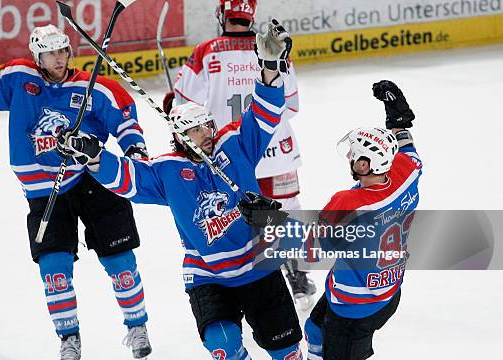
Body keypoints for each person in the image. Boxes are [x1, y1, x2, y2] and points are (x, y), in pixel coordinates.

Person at [57, 21, 304, 360]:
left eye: (206, 126)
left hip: (257, 264)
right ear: (179, 138)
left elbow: (265, 111)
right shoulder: (167, 170)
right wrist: (96, 155)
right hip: (208, 274)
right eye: (194, 131)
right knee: (224, 345)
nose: (204, 133)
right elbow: (127, 179)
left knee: (287, 352)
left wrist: (270, 68)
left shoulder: (235, 143)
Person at [0, 24, 153, 360]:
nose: (58, 59)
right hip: (45, 193)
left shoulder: (93, 87)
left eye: (63, 51)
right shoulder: (20, 79)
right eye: (50, 53)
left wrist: (135, 154)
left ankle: (137, 325)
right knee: (54, 270)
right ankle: (69, 337)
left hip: (93, 181)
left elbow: (127, 123)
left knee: (120, 261)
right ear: (37, 56)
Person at [167, 0, 316, 306]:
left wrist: (172, 100)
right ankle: (298, 277)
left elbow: (183, 106)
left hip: (230, 154)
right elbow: (291, 105)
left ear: (222, 14)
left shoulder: (206, 51)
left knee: (235, 217)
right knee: (285, 212)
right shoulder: (272, 47)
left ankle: (244, 281)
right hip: (275, 150)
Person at [303, 81, 421, 359]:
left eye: (354, 155)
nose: (350, 158)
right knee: (314, 330)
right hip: (388, 291)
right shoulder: (408, 173)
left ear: (365, 164)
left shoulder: (348, 203)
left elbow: (310, 248)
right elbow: (408, 149)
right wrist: (398, 121)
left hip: (354, 305)